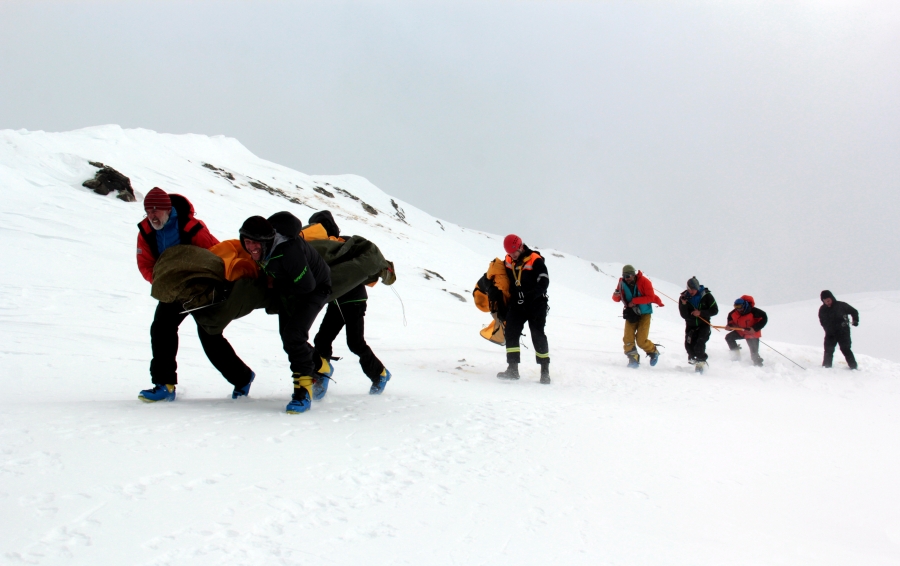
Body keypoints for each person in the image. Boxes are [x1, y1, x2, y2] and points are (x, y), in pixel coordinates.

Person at [136, 187, 255, 402]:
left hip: (202, 289)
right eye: (148, 211)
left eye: (156, 211)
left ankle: (243, 378)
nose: (152, 216)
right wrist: (163, 283)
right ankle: (164, 384)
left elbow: (215, 257)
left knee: (209, 334)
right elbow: (145, 263)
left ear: (167, 209)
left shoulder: (192, 228)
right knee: (162, 328)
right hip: (174, 290)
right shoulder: (145, 231)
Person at [239, 212, 331, 414]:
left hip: (315, 289)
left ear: (266, 240)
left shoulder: (289, 251)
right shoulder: (263, 248)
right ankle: (320, 365)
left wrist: (277, 284)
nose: (251, 247)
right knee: (288, 338)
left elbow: (307, 286)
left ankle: (303, 392)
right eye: (247, 242)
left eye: (255, 243)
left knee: (294, 336)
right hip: (292, 287)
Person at [309, 211, 392, 397]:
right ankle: (321, 375)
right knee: (322, 340)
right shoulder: (321, 247)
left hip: (354, 299)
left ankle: (380, 374)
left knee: (355, 342)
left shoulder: (344, 243)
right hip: (336, 300)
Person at [496, 234, 551, 384]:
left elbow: (544, 280)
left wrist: (532, 294)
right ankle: (512, 369)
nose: (512, 255)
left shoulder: (535, 259)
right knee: (511, 331)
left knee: (537, 334)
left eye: (514, 251)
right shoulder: (508, 260)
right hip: (517, 304)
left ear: (520, 246)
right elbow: (499, 275)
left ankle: (545, 371)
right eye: (509, 252)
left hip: (536, 304)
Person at [612, 265, 664, 368]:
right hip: (631, 314)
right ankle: (633, 358)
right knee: (628, 338)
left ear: (634, 274)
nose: (626, 278)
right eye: (624, 276)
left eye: (628, 276)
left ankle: (653, 351)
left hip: (644, 314)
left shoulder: (644, 282)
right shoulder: (622, 283)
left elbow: (650, 297)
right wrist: (615, 295)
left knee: (641, 340)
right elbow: (616, 299)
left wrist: (635, 301)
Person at [678, 276, 718, 373]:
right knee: (688, 345)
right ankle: (693, 358)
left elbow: (715, 310)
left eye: (694, 289)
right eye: (690, 289)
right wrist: (683, 304)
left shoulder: (706, 295)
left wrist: (700, 313)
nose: (692, 291)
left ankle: (701, 363)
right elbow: (684, 315)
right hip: (691, 325)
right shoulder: (683, 298)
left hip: (704, 324)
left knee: (699, 344)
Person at [818, 290, 859, 370]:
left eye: (828, 300)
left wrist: (855, 320)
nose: (827, 303)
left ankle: (853, 367)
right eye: (825, 301)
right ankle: (826, 367)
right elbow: (822, 321)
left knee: (845, 349)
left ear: (832, 298)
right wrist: (827, 329)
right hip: (830, 333)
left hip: (843, 332)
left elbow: (854, 311)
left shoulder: (841, 305)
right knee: (828, 350)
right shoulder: (822, 309)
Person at [725, 295, 767, 366]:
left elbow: (764, 319)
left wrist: (754, 328)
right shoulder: (732, 314)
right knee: (729, 337)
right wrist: (729, 327)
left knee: (754, 352)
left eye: (739, 307)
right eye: (736, 307)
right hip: (741, 332)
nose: (738, 309)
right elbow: (731, 324)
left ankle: (757, 363)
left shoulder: (754, 312)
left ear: (744, 305)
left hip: (752, 333)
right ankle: (736, 355)